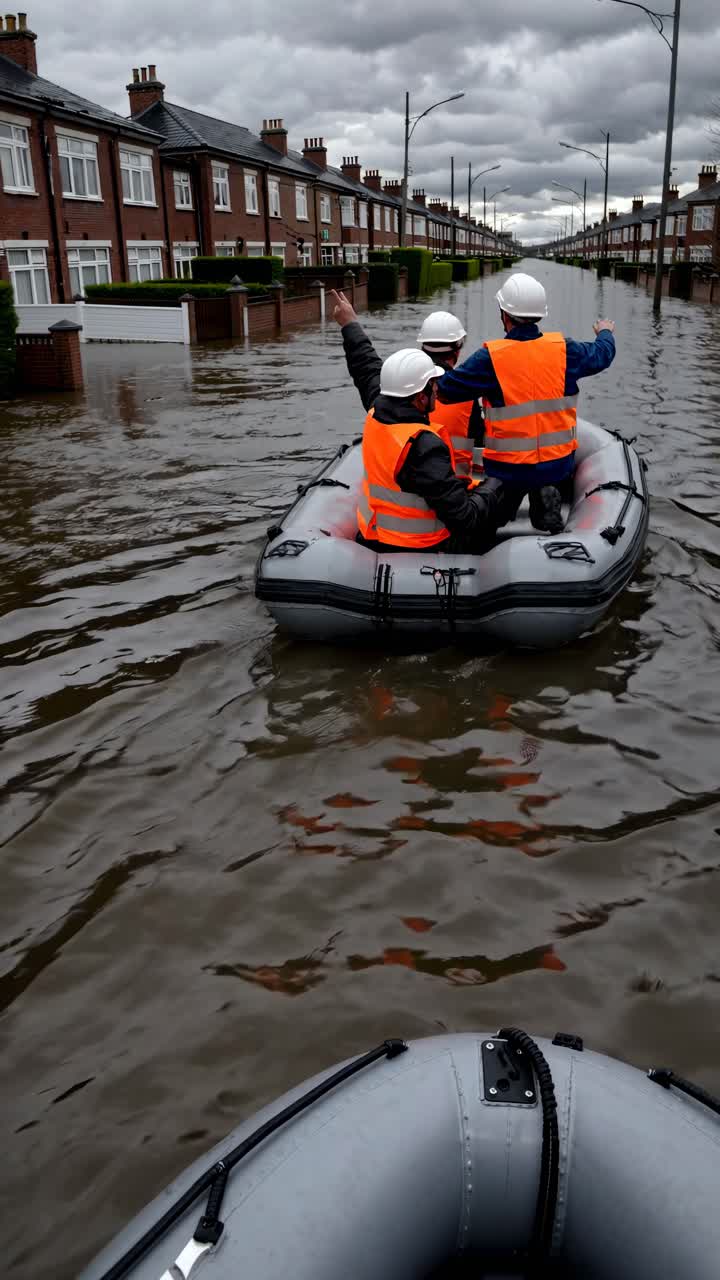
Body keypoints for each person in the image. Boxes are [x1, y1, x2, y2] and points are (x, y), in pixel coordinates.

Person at [435, 272, 616, 534]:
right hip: (558, 465)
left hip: (508, 471)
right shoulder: (565, 350)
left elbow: (446, 391)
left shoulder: (490, 359)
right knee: (547, 477)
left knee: (490, 514)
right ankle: (545, 503)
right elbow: (603, 355)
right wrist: (605, 332)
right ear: (540, 315)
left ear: (503, 315)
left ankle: (496, 521)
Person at [329, 288, 505, 554]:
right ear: (419, 397)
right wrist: (500, 480)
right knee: (501, 488)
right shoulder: (425, 445)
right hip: (424, 543)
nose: (438, 390)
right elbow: (465, 517)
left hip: (375, 533)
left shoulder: (378, 406)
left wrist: (350, 324)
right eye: (433, 386)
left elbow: (365, 365)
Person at [329, 291, 482, 485]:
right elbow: (480, 446)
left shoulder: (387, 397)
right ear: (458, 350)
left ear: (422, 347)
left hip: (391, 503)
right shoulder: (467, 398)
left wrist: (350, 324)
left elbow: (366, 366)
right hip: (452, 495)